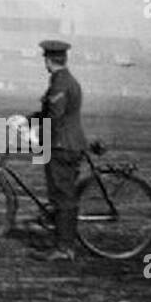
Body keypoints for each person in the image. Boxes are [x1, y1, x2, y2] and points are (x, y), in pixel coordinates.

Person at [32, 39, 87, 262]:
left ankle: (65, 248)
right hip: (62, 143)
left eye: (45, 58)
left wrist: (34, 132)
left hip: (61, 145)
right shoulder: (61, 80)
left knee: (63, 196)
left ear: (48, 60)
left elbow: (54, 115)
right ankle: (62, 239)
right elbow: (50, 113)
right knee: (61, 194)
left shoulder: (61, 83)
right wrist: (27, 120)